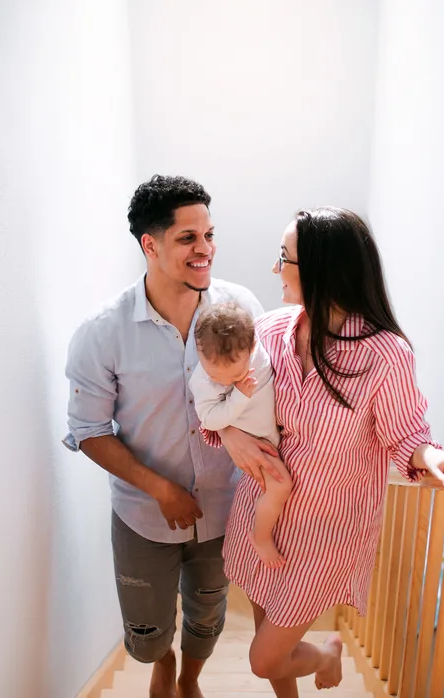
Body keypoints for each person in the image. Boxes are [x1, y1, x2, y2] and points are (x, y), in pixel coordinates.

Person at [203, 207, 444, 696]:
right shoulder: (272, 330)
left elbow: (405, 430)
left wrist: (424, 454)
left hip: (327, 531)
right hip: (263, 511)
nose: (275, 269)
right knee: (267, 626)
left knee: (265, 659)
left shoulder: (383, 352)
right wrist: (229, 435)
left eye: (284, 258)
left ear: (323, 267)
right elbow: (224, 398)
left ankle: (326, 653)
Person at [63, 175, 271, 698]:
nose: (206, 250)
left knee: (208, 612)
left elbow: (269, 390)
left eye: (209, 234)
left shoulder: (242, 307)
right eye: (188, 239)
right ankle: (162, 663)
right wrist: (159, 488)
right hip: (142, 515)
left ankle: (190, 679)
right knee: (148, 630)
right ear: (149, 245)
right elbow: (88, 431)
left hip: (225, 507)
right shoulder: (101, 332)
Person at [189, 301, 293, 569]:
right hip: (254, 443)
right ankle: (260, 537)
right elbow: (210, 420)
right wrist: (238, 393)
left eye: (234, 374)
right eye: (215, 374)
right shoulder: (203, 381)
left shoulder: (257, 352)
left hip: (272, 434)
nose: (223, 381)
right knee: (281, 485)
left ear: (254, 347)